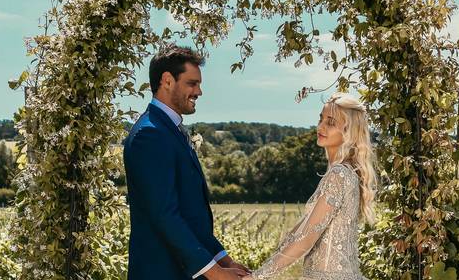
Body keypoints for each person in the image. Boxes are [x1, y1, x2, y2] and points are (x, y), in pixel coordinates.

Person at [123, 44, 251, 279]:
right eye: (192, 83)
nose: (199, 92)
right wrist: (217, 274)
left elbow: (191, 215)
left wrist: (225, 260)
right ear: (167, 80)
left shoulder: (171, 130)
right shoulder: (149, 134)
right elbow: (165, 216)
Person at [248, 92, 377, 280]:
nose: (321, 126)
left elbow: (307, 237)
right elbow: (300, 231)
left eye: (330, 122)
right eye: (321, 119)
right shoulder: (345, 172)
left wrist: (257, 277)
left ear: (349, 132)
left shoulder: (339, 175)